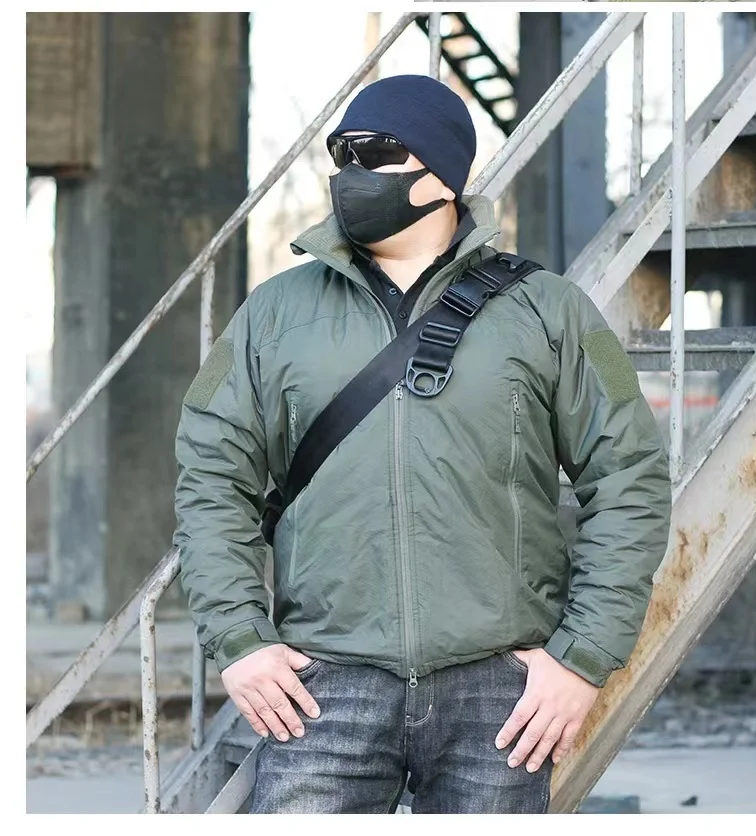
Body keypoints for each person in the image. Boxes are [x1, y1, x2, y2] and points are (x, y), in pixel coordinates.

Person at [173, 74, 672, 814]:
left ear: (442, 174)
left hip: (501, 691)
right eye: (341, 154)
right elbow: (212, 479)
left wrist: (582, 658)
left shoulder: (551, 310)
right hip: (324, 683)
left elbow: (630, 477)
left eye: (375, 152)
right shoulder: (272, 314)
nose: (351, 173)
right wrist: (239, 639)